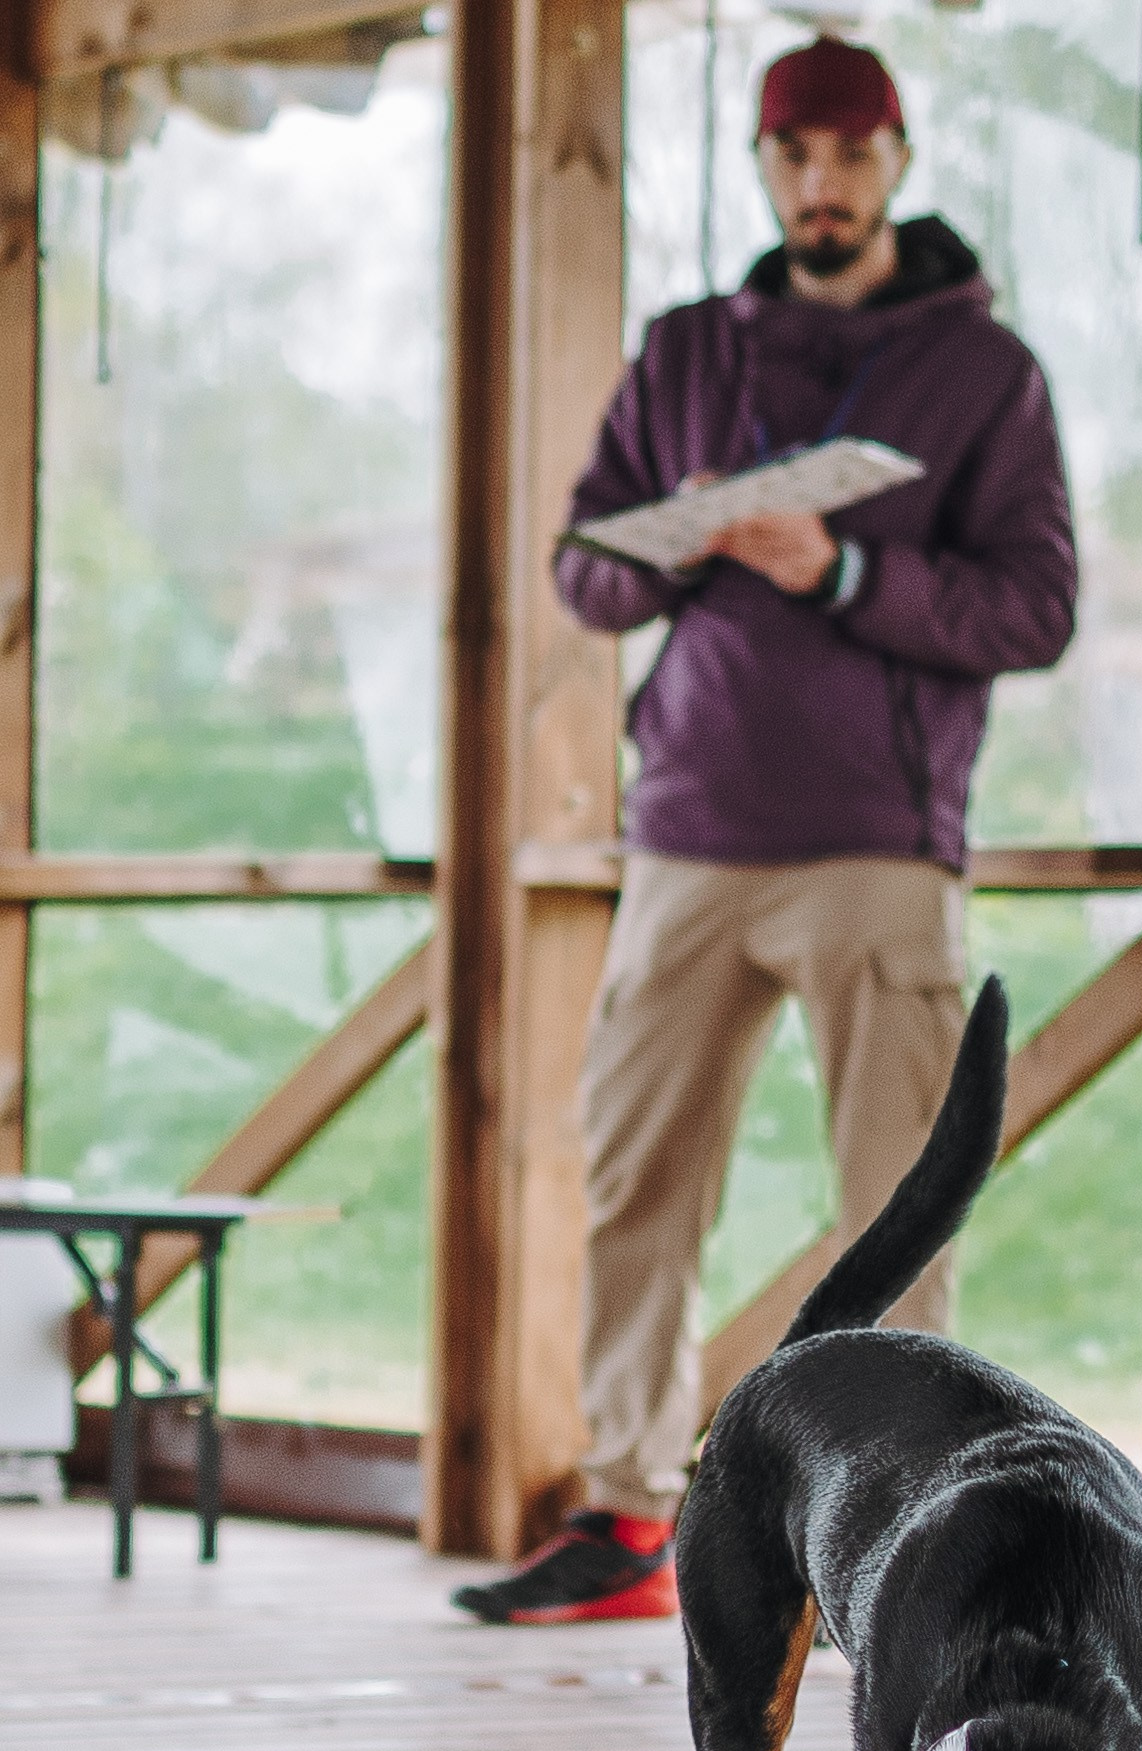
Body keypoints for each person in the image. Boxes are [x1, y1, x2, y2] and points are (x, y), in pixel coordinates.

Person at [453, 35, 1077, 1624]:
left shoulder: (983, 376)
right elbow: (582, 574)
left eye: (850, 155)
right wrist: (680, 541)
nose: (822, 183)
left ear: (897, 164)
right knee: (632, 1180)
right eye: (793, 155)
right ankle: (623, 1516)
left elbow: (1035, 606)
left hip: (879, 846)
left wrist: (842, 572)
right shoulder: (680, 357)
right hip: (686, 836)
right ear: (762, 167)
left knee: (896, 1199)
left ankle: (904, 1525)